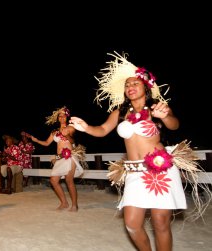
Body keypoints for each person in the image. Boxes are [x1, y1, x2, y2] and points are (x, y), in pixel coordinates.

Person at [70, 51, 211, 250]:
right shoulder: (120, 112)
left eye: (135, 83)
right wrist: (85, 127)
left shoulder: (157, 107)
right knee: (132, 224)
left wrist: (164, 116)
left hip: (159, 169)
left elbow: (174, 125)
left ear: (146, 86)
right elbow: (102, 130)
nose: (130, 87)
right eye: (127, 85)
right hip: (134, 173)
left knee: (160, 223)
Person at [30, 106, 86, 212]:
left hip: (70, 156)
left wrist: (67, 136)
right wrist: (36, 140)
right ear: (58, 118)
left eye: (64, 115)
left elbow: (73, 141)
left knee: (69, 181)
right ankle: (64, 203)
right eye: (59, 116)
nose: (61, 117)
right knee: (53, 180)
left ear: (67, 117)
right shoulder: (54, 131)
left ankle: (74, 205)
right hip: (60, 158)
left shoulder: (70, 128)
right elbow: (47, 143)